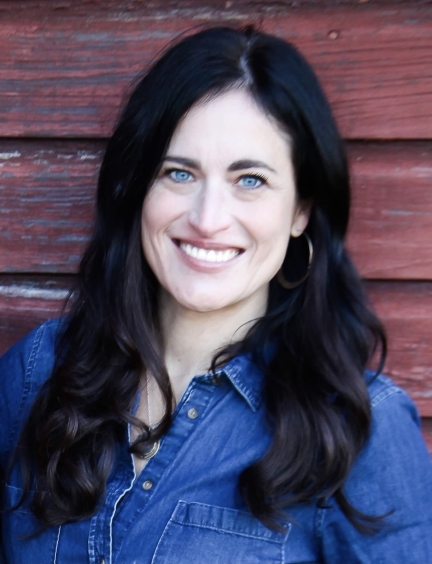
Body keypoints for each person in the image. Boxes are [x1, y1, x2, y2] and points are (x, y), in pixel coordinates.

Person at [1, 25, 431, 564]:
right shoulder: (37, 374)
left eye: (250, 180)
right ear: (139, 188)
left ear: (300, 211)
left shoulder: (359, 431)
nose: (207, 219)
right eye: (179, 173)